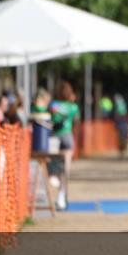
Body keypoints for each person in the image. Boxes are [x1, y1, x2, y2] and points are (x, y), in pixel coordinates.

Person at [49, 80, 80, 211]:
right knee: (65, 170)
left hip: (55, 137)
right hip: (67, 137)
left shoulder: (54, 105)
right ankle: (62, 198)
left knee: (53, 166)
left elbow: (50, 116)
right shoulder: (73, 107)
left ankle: (54, 180)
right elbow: (76, 119)